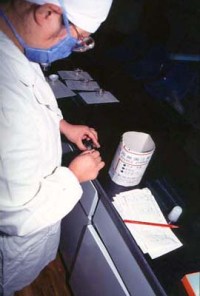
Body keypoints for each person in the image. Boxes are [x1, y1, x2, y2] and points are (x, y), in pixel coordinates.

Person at [0, 0, 113, 295]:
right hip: (16, 239)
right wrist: (73, 176)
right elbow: (16, 217)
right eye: (78, 38)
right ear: (47, 14)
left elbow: (33, 96)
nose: (76, 46)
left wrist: (62, 126)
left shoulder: (14, 44)